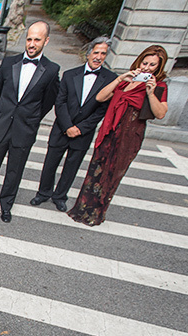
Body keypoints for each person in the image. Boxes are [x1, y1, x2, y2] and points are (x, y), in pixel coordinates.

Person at [0, 21, 60, 223]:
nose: (32, 44)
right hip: (1, 125)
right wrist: (1, 112)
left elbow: (48, 102)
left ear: (46, 41)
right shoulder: (9, 63)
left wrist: (30, 118)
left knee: (14, 171)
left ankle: (6, 205)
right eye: (29, 39)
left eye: (37, 39)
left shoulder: (52, 70)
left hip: (24, 129)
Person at [68, 45, 168, 226]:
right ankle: (81, 210)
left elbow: (160, 113)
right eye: (145, 62)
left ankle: (96, 214)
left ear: (158, 68)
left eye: (152, 65)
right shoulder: (125, 81)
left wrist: (151, 93)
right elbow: (101, 97)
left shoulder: (159, 86)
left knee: (112, 175)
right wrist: (121, 78)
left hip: (129, 135)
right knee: (96, 170)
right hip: (109, 131)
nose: (147, 67)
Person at [29, 36, 116, 211]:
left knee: (72, 166)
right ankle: (43, 193)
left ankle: (60, 196)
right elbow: (59, 103)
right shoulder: (69, 75)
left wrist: (80, 129)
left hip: (83, 133)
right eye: (96, 52)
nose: (98, 56)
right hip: (62, 128)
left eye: (103, 53)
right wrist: (68, 126)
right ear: (88, 53)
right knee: (50, 163)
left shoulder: (110, 79)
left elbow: (102, 110)